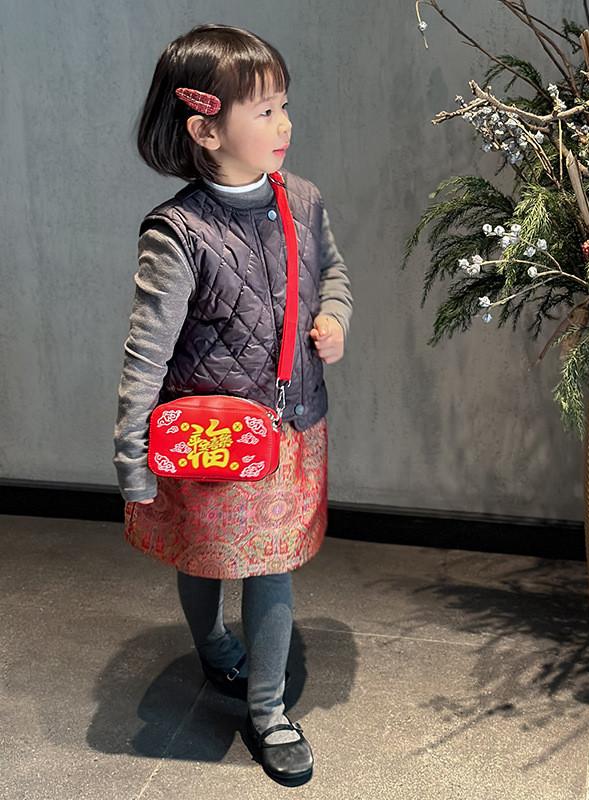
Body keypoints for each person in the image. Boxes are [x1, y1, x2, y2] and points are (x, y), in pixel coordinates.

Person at [112, 23, 353, 787]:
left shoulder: (305, 202)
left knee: (273, 570)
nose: (284, 126)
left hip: (291, 428)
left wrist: (335, 319)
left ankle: (269, 710)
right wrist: (130, 460)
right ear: (205, 128)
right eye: (265, 112)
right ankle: (216, 648)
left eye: (285, 107)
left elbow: (336, 274)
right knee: (206, 558)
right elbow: (144, 355)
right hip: (214, 440)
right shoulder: (177, 233)